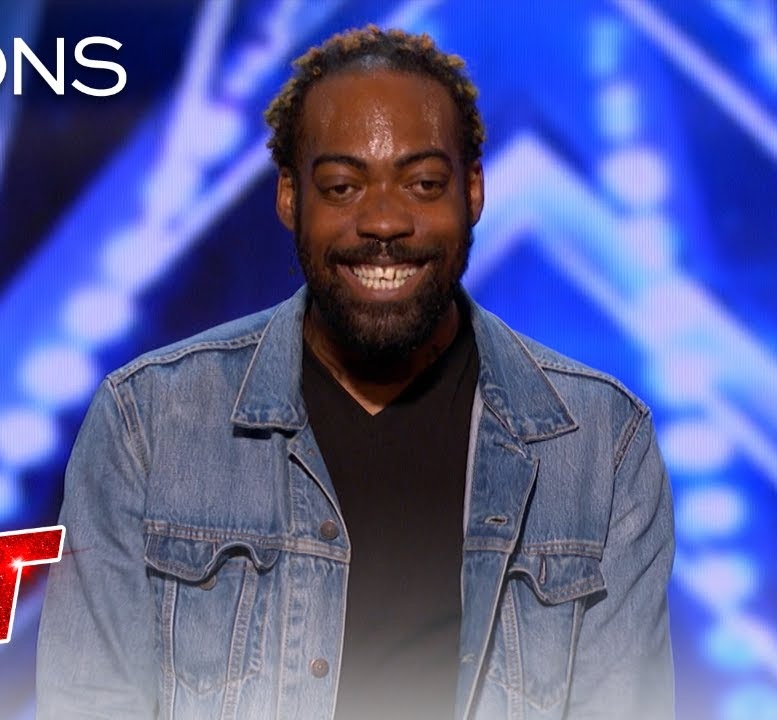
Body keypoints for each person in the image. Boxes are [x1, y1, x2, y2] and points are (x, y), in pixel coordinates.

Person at [37, 26, 674, 720]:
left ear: (473, 192)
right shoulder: (148, 424)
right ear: (290, 197)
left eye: (423, 183)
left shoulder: (601, 446)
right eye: (342, 186)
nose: (384, 222)